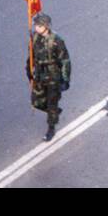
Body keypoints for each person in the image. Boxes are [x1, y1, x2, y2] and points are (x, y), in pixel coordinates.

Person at [27, 12, 71, 142]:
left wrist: (65, 79)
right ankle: (54, 112)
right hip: (40, 75)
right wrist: (28, 69)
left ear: (46, 26)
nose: (36, 27)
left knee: (52, 103)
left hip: (53, 77)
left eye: (39, 25)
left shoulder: (56, 40)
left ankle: (51, 127)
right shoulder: (35, 38)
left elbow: (65, 61)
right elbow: (32, 55)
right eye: (36, 25)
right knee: (37, 102)